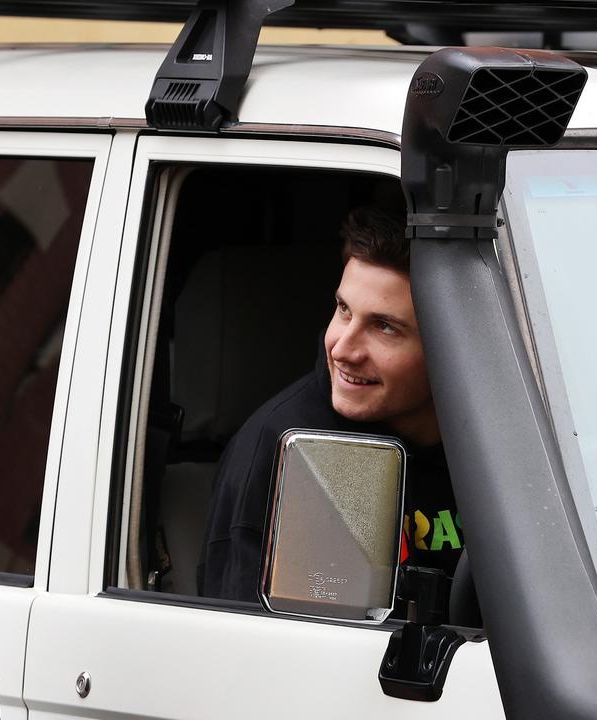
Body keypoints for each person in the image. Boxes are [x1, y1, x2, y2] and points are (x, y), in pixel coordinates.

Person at [197, 204, 462, 603]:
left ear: (452, 347)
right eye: (344, 310)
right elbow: (251, 648)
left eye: (384, 326)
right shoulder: (288, 445)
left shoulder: (500, 439)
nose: (341, 347)